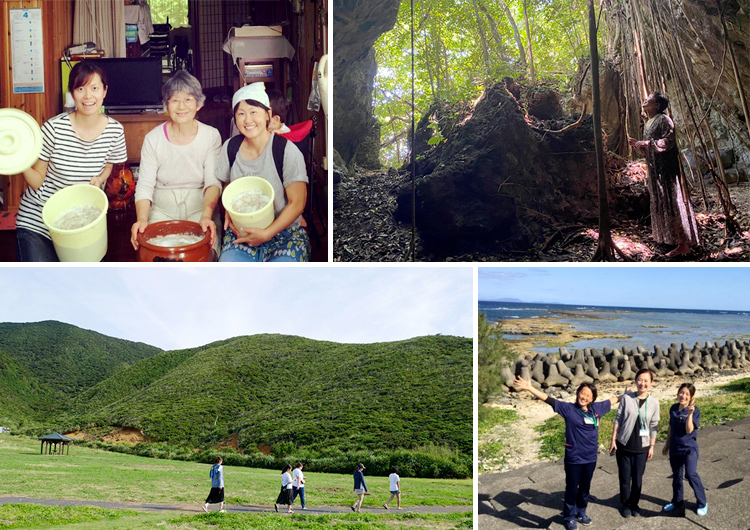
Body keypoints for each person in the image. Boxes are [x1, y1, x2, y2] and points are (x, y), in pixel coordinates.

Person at [16, 62, 127, 261]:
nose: (87, 96)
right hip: (38, 220)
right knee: (39, 282)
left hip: (79, 221)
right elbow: (38, 181)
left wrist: (100, 178)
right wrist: (21, 162)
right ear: (72, 93)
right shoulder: (53, 128)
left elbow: (109, 164)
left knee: (77, 282)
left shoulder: (115, 131)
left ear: (104, 91)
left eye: (94, 88)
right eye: (80, 88)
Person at [514, 376, 624, 530]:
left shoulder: (597, 409)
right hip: (574, 458)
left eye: (588, 395)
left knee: (585, 488)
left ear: (592, 399)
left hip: (591, 458)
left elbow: (613, 400)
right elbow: (549, 399)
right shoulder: (569, 409)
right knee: (572, 488)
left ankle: (581, 512)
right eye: (582, 393)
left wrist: (626, 395)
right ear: (578, 393)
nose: (584, 397)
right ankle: (569, 517)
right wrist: (529, 388)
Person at [216, 82, 310, 262]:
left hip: (284, 233)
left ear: (268, 115)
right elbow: (228, 187)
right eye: (241, 114)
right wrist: (229, 210)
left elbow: (297, 203)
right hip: (242, 233)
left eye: (254, 112)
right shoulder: (230, 147)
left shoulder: (286, 151)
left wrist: (267, 233)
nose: (247, 120)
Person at [130, 70, 221, 253]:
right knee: (155, 253)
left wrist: (206, 216)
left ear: (198, 104)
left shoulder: (211, 135)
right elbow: (145, 184)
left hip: (200, 206)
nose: (181, 106)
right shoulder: (152, 138)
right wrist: (142, 219)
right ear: (166, 105)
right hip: (162, 208)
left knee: (204, 251)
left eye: (188, 99)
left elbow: (213, 182)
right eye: (175, 100)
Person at [628, 92, 699, 257]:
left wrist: (647, 143)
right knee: (661, 200)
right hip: (654, 168)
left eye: (649, 99)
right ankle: (670, 238)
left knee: (672, 201)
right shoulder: (648, 123)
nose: (645, 100)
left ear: (657, 105)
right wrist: (639, 145)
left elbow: (669, 141)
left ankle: (684, 244)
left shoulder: (664, 119)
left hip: (667, 167)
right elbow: (651, 145)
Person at [609, 368, 660, 518]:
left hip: (642, 447)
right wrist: (613, 439)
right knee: (625, 478)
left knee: (637, 479)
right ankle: (625, 504)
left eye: (646, 381)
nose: (642, 383)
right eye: (640, 380)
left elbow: (654, 425)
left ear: (651, 383)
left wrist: (652, 446)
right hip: (624, 444)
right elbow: (618, 418)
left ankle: (634, 503)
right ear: (635, 380)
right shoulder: (626, 398)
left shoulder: (654, 402)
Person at [661, 383, 707, 516]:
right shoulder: (673, 408)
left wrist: (690, 414)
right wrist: (667, 444)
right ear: (677, 393)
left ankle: (702, 502)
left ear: (691, 397)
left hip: (689, 449)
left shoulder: (695, 410)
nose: (683, 396)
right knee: (676, 476)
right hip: (675, 448)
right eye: (681, 392)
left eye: (687, 394)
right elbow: (671, 427)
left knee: (691, 474)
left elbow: (689, 430)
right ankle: (677, 501)